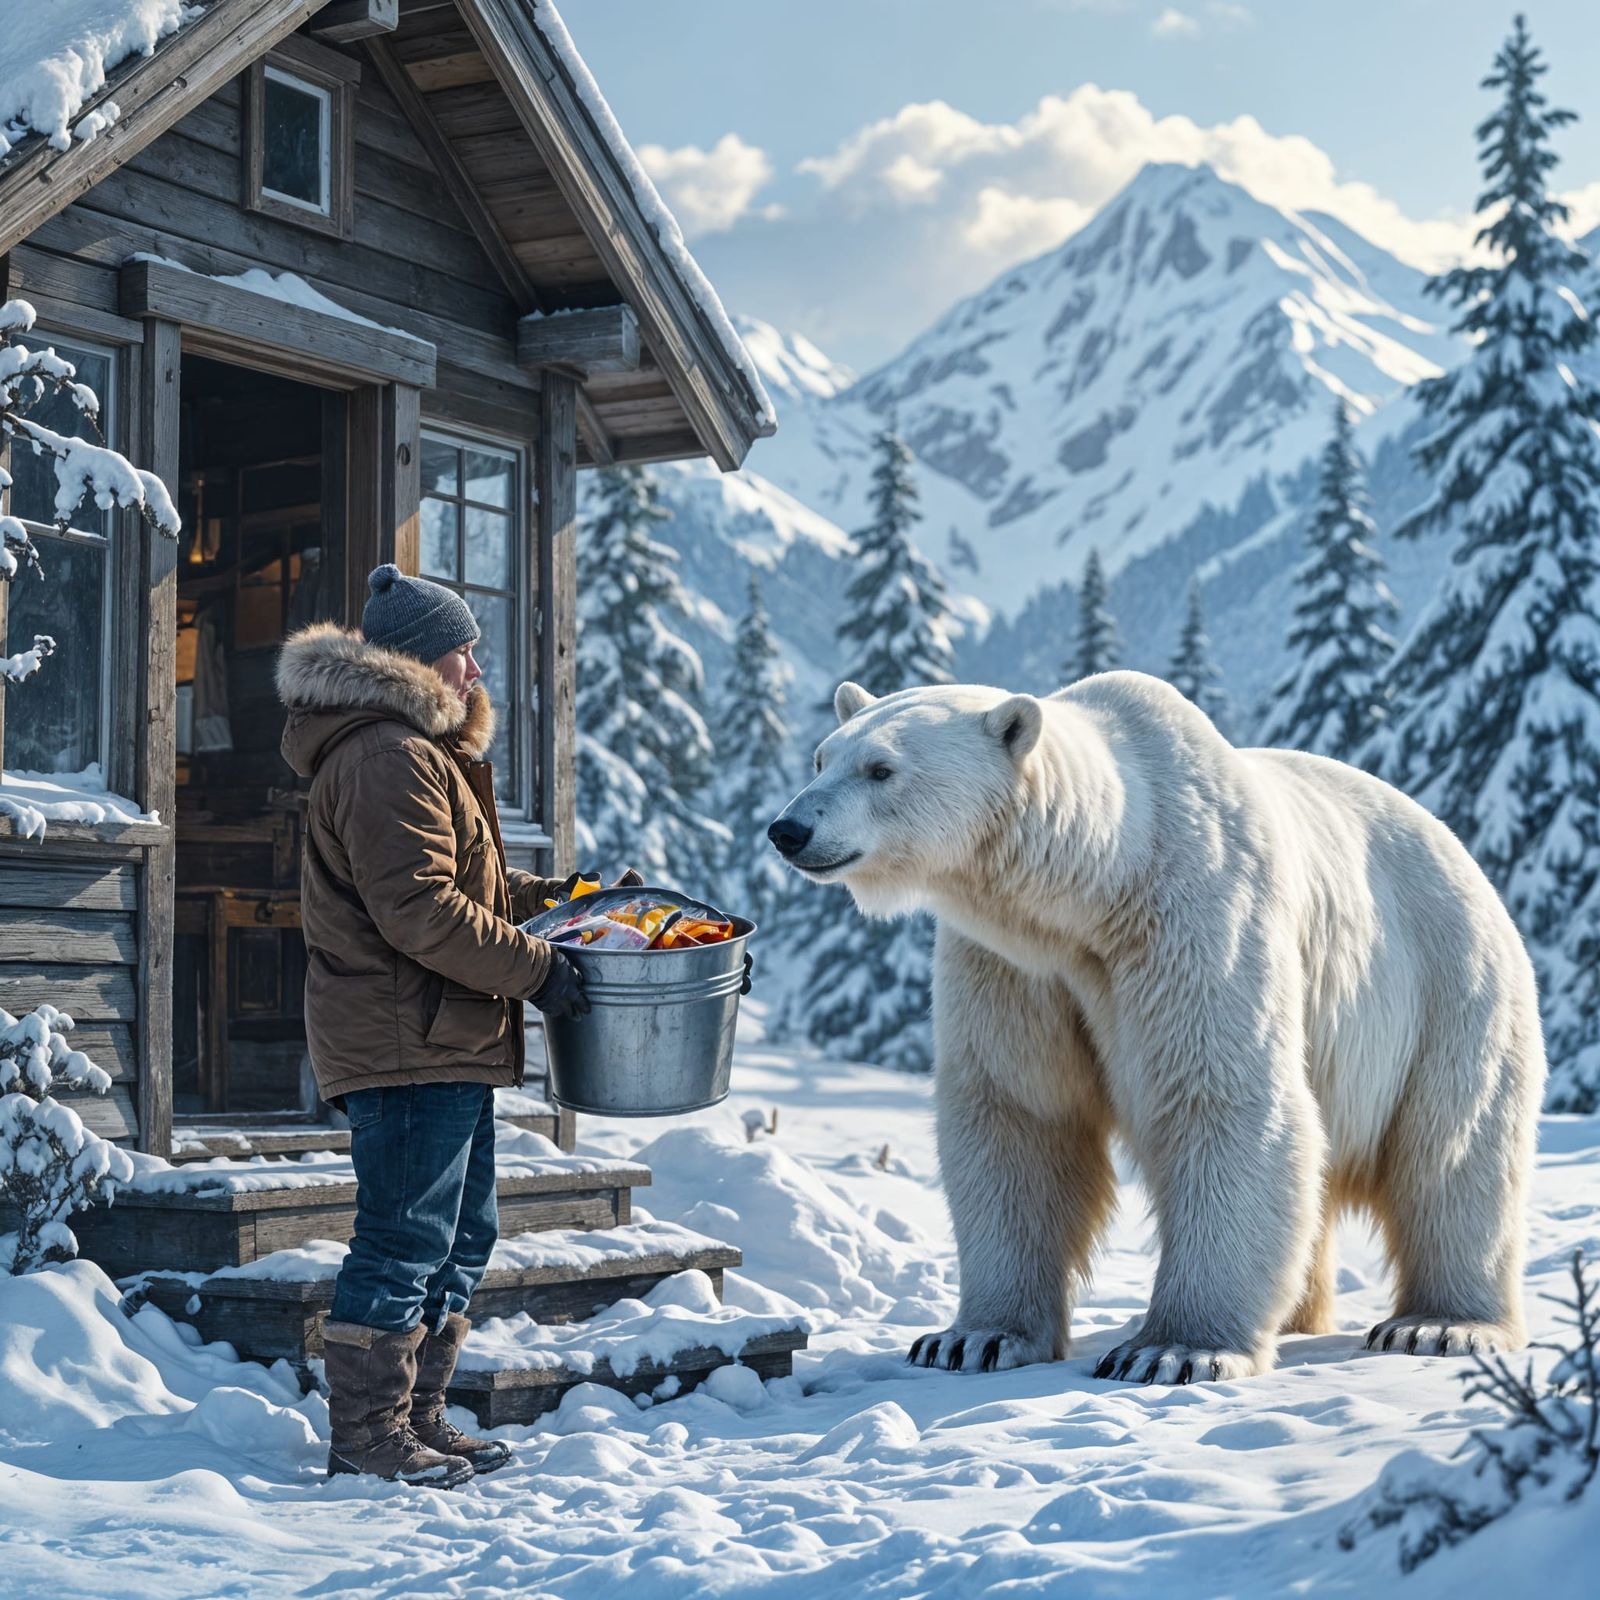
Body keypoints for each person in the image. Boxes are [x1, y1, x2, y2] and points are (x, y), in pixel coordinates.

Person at [277, 564, 634, 1488]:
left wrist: (568, 905)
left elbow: (475, 892)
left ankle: (416, 1416)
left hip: (444, 1036)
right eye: (463, 649)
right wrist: (543, 969)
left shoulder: (415, 751)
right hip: (405, 1038)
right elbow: (422, 912)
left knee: (458, 1239)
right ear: (419, 660)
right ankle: (366, 1433)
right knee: (403, 1239)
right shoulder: (384, 754)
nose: (477, 668)